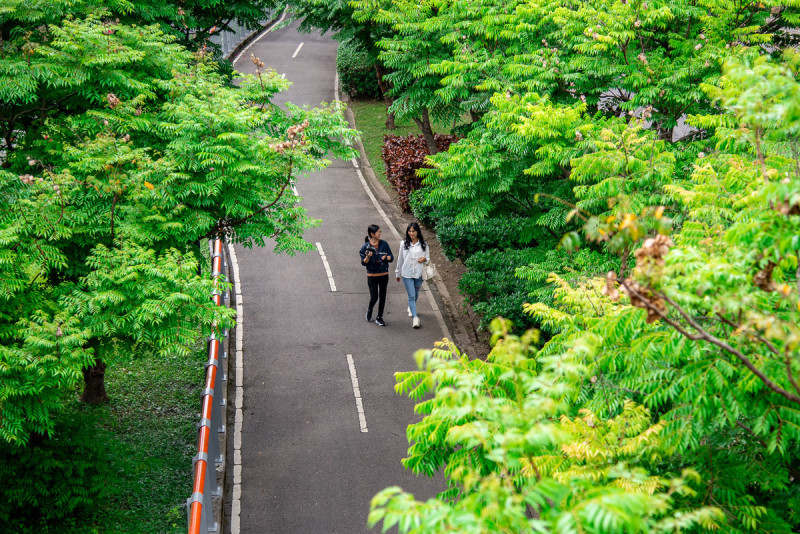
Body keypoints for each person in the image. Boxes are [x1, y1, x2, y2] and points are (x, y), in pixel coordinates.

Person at [395, 222, 428, 329]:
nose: (411, 233)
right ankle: (415, 318)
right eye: (409, 231)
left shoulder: (424, 244)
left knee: (416, 293)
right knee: (411, 295)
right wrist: (397, 272)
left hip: (419, 273)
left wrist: (424, 259)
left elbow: (428, 259)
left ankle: (411, 306)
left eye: (413, 231)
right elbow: (400, 259)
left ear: (417, 231)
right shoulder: (403, 243)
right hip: (407, 273)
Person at [359, 224, 393, 326]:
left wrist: (387, 258)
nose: (380, 233)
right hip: (372, 275)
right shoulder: (365, 247)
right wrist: (368, 257)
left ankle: (379, 317)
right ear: (372, 234)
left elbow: (391, 257)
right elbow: (363, 262)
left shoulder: (384, 244)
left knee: (383, 296)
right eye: (378, 232)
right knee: (374, 297)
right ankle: (370, 310)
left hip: (384, 274)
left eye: (380, 232)